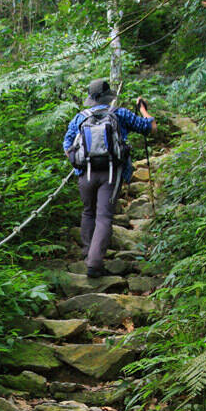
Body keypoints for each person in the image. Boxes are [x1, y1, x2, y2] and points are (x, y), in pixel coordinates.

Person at [63, 78, 157, 278]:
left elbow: (67, 145)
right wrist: (143, 109)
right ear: (108, 96)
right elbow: (149, 128)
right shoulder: (119, 114)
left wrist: (82, 160)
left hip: (85, 173)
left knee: (88, 213)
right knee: (104, 216)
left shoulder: (79, 118)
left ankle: (89, 255)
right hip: (112, 172)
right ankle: (95, 264)